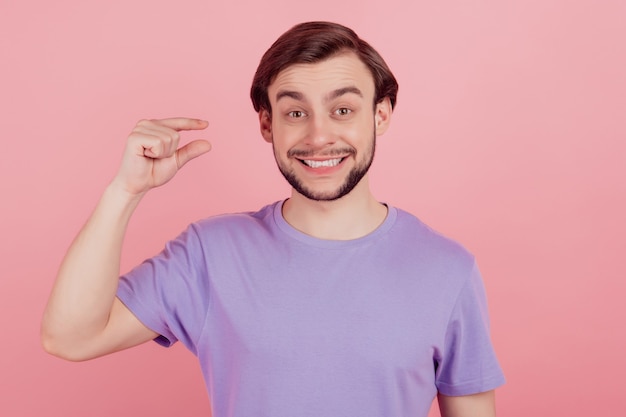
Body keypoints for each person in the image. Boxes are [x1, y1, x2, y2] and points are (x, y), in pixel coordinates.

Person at [42, 21, 505, 417]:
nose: (319, 135)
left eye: (342, 110)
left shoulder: (448, 269)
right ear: (267, 124)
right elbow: (70, 338)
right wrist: (125, 192)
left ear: (380, 115)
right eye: (295, 112)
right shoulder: (211, 252)